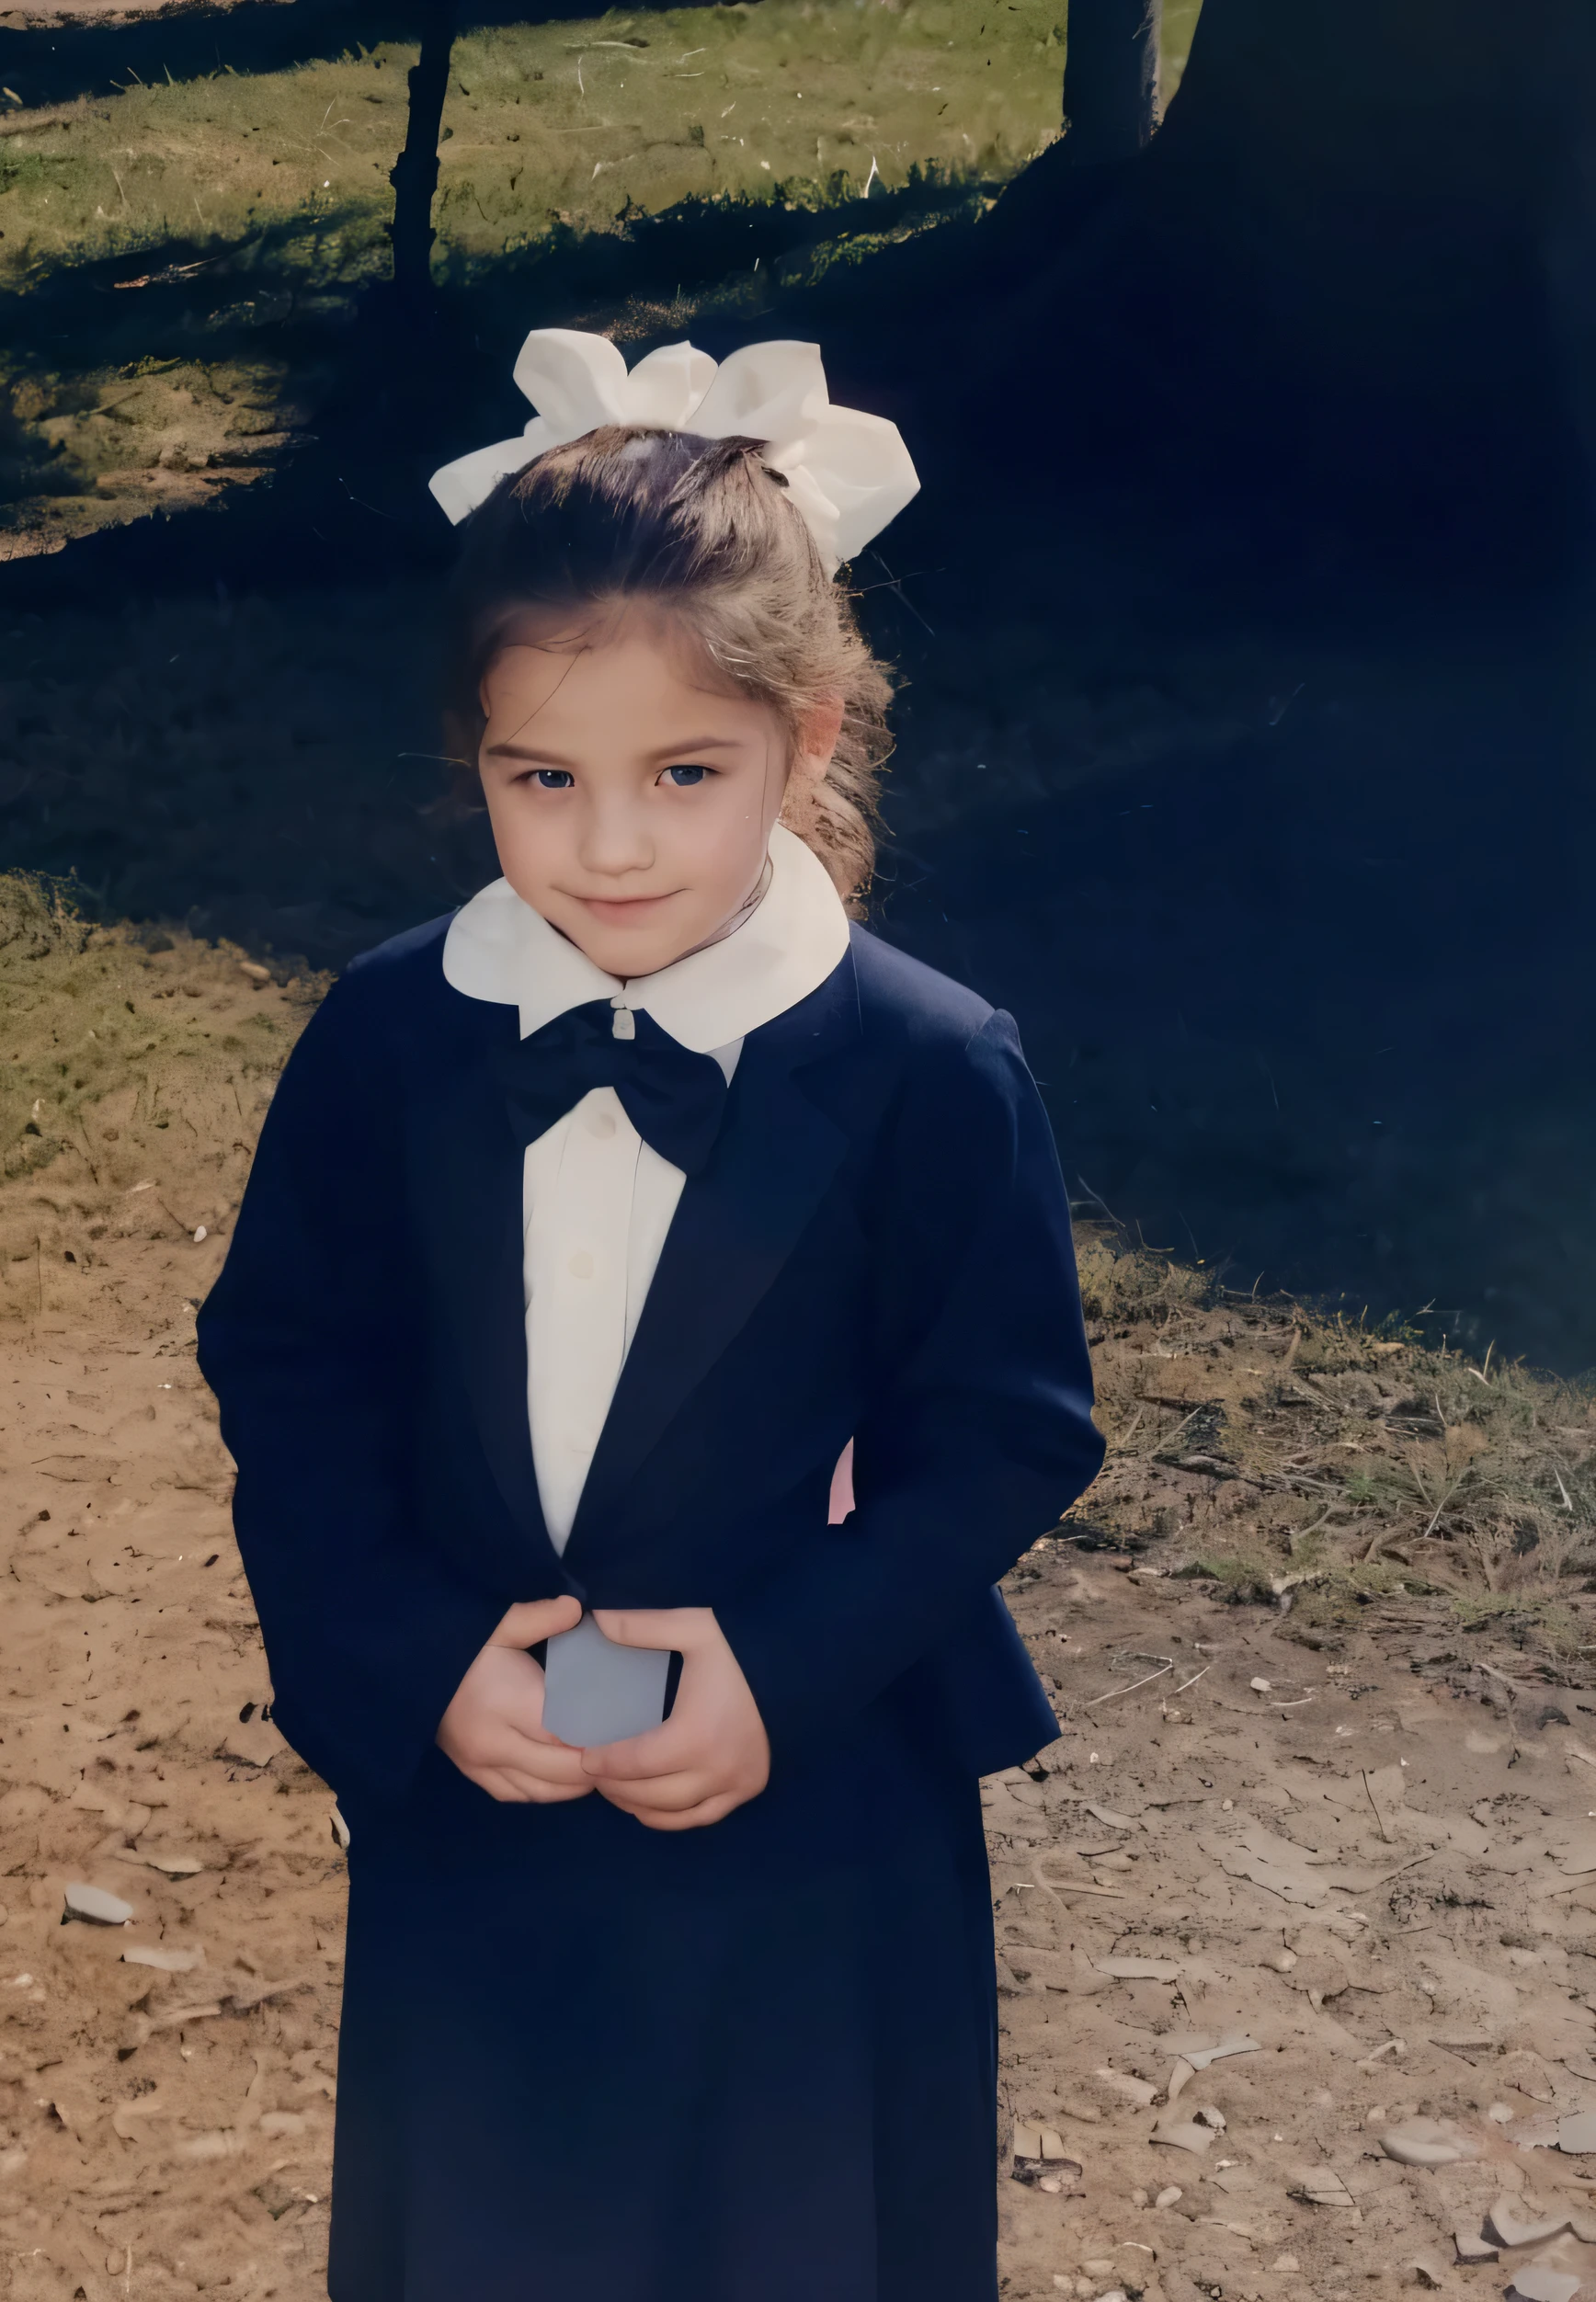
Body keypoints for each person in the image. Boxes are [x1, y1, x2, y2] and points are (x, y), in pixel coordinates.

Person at [196, 328, 1106, 2302]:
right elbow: (291, 1367)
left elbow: (1011, 1427)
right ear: (477, 761)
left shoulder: (931, 1065)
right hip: (485, 1791)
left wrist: (784, 1671)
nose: (609, 844)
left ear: (816, 733)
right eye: (546, 777)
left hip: (811, 1818)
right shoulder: (387, 1035)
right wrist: (419, 1658)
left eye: (683, 774)